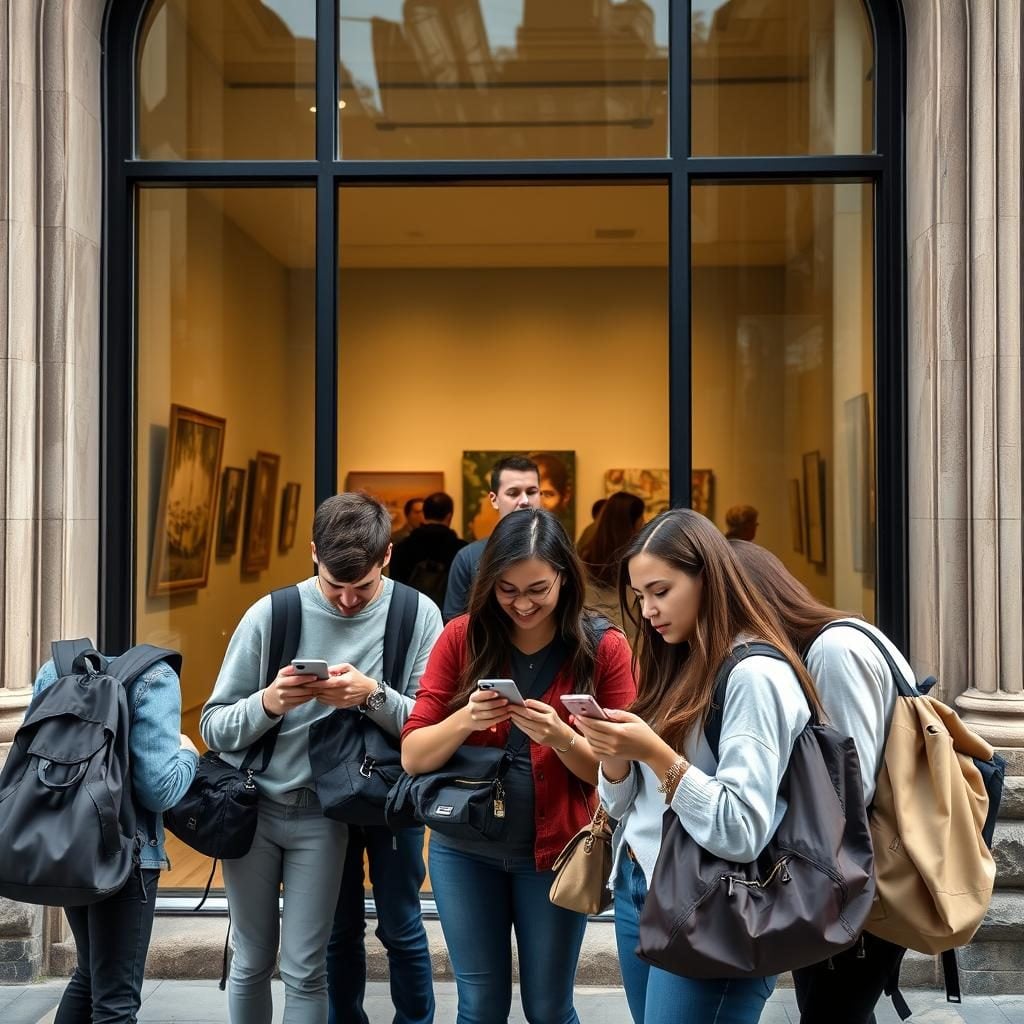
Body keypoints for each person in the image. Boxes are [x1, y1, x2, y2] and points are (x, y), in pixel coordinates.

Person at [572, 508, 825, 1024]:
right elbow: (622, 806)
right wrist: (616, 757)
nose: (647, 611)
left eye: (660, 591)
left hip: (718, 902)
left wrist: (654, 752)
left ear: (708, 576)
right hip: (643, 883)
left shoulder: (755, 674)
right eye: (640, 596)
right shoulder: (679, 658)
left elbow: (741, 830)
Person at [201, 492, 443, 1024]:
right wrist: (269, 702)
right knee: (273, 953)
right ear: (313, 554)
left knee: (391, 928)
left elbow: (434, 728)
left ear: (387, 557)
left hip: (374, 800)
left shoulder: (415, 612)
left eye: (362, 589)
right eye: (335, 587)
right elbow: (213, 726)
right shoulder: (274, 613)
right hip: (279, 803)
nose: (348, 602)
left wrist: (371, 696)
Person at [402, 508, 637, 1024]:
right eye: (507, 590)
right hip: (464, 851)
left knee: (549, 1008)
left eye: (538, 589)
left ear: (564, 577)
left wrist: (560, 738)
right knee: (479, 1005)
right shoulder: (462, 637)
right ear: (489, 583)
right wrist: (465, 718)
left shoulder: (603, 647)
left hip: (558, 854)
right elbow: (414, 755)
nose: (523, 604)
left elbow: (623, 773)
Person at [729, 539, 906, 1024]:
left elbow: (846, 790)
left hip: (857, 876)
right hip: (852, 870)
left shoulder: (833, 650)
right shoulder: (832, 641)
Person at [32, 654, 198, 1024]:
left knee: (88, 974)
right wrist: (188, 754)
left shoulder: (54, 670)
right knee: (116, 1003)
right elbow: (159, 791)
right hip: (127, 856)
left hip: (66, 847)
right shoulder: (156, 677)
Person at [442, 456, 541, 622]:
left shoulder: (559, 551)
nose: (524, 501)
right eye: (513, 493)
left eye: (531, 492)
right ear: (494, 500)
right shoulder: (468, 557)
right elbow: (454, 627)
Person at [578, 491, 645, 633]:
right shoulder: (638, 563)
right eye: (641, 519)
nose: (644, 523)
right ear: (631, 525)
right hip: (629, 645)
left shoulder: (586, 557)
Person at [390, 491, 467, 608]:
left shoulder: (401, 548)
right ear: (449, 516)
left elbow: (395, 589)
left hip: (410, 614)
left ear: (424, 515)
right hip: (448, 619)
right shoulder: (462, 549)